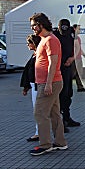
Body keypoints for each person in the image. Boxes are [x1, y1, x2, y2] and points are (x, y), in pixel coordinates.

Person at [29, 13, 67, 156]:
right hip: (48, 82)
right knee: (54, 113)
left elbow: (53, 63)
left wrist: (49, 84)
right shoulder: (44, 39)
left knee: (40, 113)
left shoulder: (51, 40)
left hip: (49, 83)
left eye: (34, 25)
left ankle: (45, 144)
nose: (32, 28)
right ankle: (60, 142)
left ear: (41, 24)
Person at [53, 19, 80, 130]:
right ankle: (60, 122)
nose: (63, 30)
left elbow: (76, 47)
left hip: (68, 68)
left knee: (68, 93)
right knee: (60, 95)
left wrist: (72, 58)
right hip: (57, 69)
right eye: (61, 28)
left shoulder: (71, 33)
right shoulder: (54, 35)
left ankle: (67, 118)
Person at [20, 34, 41, 142]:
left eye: (29, 43)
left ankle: (39, 133)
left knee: (38, 110)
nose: (27, 45)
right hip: (34, 84)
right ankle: (39, 132)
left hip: (37, 85)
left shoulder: (38, 55)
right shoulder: (35, 55)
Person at [72, 24, 85, 92]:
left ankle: (80, 87)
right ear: (74, 29)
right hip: (75, 59)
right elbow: (76, 48)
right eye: (78, 29)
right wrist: (73, 57)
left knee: (79, 73)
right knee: (73, 73)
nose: (80, 30)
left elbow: (79, 49)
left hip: (78, 58)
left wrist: (84, 56)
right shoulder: (73, 38)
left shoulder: (78, 38)